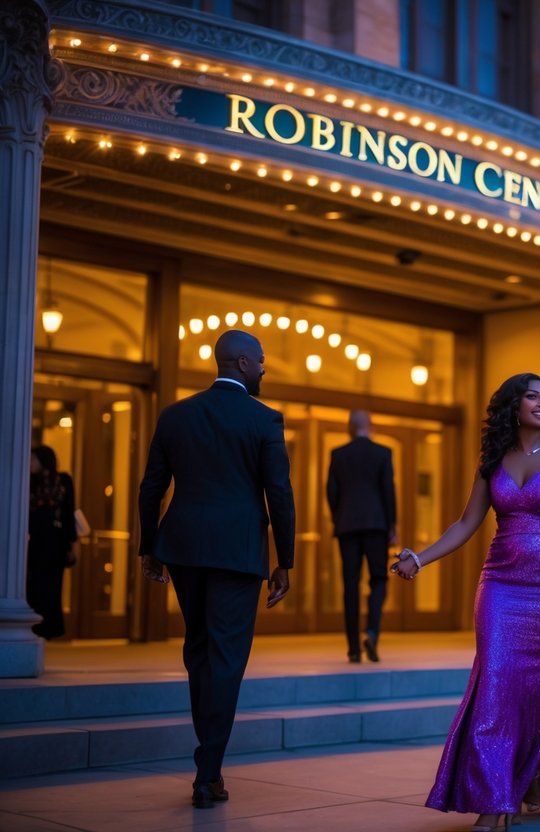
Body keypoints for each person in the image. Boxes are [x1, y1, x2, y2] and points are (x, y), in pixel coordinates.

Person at [392, 373, 540, 832]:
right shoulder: (492, 461)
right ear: (511, 405)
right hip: (499, 586)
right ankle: (496, 797)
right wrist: (419, 558)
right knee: (497, 686)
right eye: (532, 396)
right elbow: (465, 525)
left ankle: (535, 771)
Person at [137, 330, 295, 810]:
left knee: (200, 651)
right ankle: (208, 774)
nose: (265, 369)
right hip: (238, 552)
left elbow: (151, 487)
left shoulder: (176, 415)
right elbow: (279, 493)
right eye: (262, 361)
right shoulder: (264, 419)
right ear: (244, 363)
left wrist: (150, 547)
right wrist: (284, 561)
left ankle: (208, 764)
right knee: (226, 659)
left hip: (183, 547)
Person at [326, 409, 396, 663]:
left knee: (350, 585)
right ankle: (372, 631)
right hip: (376, 526)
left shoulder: (338, 455)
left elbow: (331, 493)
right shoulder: (382, 453)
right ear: (370, 425)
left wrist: (339, 517)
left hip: (347, 527)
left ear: (349, 427)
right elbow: (388, 490)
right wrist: (392, 525)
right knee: (378, 579)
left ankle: (353, 648)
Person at [27, 445, 79, 640]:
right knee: (33, 585)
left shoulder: (63, 481)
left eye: (34, 459)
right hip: (34, 541)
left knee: (51, 587)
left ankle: (48, 628)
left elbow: (69, 512)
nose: (31, 463)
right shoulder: (30, 481)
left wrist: (73, 544)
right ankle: (35, 627)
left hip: (55, 542)